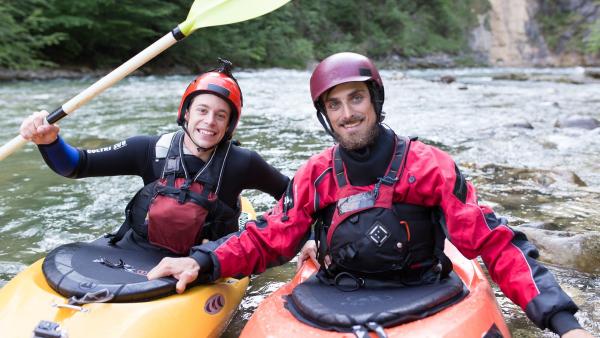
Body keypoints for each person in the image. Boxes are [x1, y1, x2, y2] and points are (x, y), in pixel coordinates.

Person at [147, 53, 591, 337]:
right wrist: (203, 260)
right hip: (337, 292)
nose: (347, 113)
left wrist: (564, 324)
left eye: (355, 98)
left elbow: (495, 244)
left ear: (375, 100)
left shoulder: (429, 166)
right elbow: (268, 237)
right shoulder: (316, 174)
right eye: (334, 105)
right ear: (325, 117)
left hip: (423, 289)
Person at [20, 59, 289, 266]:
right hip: (137, 252)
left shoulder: (242, 163)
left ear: (230, 125)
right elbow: (77, 166)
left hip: (201, 263)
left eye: (221, 115)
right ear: (186, 113)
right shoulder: (149, 149)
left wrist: (271, 236)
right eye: (202, 111)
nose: (209, 122)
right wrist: (49, 141)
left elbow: (296, 196)